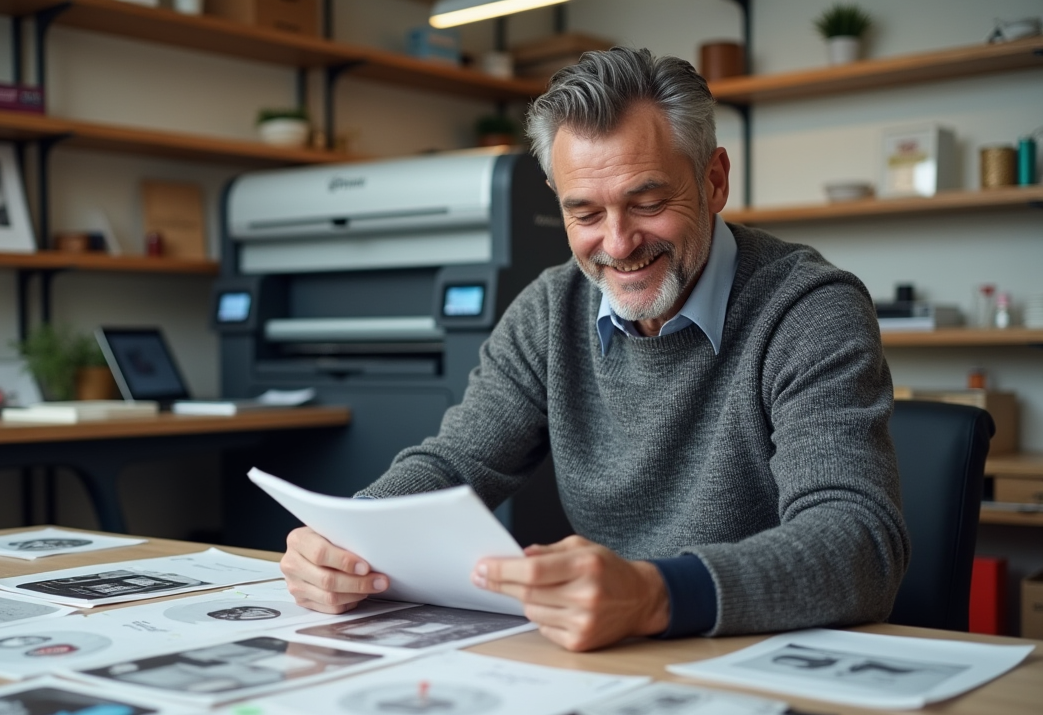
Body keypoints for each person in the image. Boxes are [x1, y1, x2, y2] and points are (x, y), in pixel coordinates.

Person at [280, 47, 908, 652]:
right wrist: (347, 536)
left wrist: (652, 593)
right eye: (584, 214)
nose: (618, 243)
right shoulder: (550, 311)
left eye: (649, 203)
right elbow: (452, 466)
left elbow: (858, 544)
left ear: (714, 180)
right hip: (606, 657)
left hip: (762, 657)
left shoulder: (809, 309)